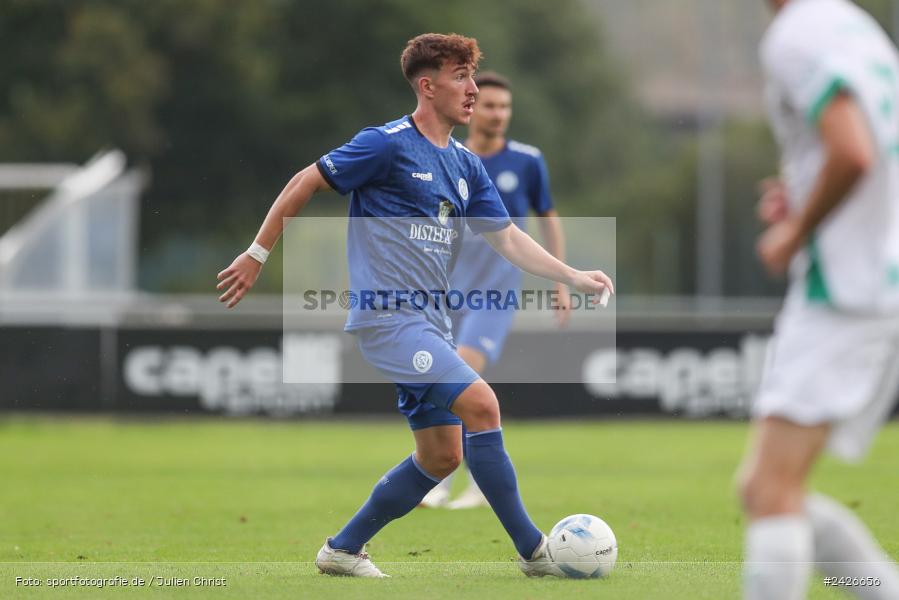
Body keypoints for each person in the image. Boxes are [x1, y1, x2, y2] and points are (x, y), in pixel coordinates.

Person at [216, 33, 613, 578]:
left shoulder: (467, 165)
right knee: (483, 405)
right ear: (427, 86)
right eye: (460, 78)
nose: (472, 90)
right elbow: (304, 181)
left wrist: (571, 275)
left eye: (472, 77)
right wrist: (257, 253)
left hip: (432, 323)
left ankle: (341, 550)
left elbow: (507, 238)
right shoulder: (385, 144)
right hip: (388, 320)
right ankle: (535, 552)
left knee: (442, 456)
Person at [741, 1, 899, 598]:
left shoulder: (796, 33)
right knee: (770, 490)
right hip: (878, 274)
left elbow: (854, 152)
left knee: (770, 491)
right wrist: (804, 192)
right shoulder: (852, 24)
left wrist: (796, 230)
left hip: (845, 287)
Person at [418, 71, 570, 510]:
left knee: (460, 372)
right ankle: (446, 473)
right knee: (442, 380)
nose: (498, 114)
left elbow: (548, 220)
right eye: (489, 105)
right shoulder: (447, 156)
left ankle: (466, 481)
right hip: (446, 293)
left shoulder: (527, 161)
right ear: (471, 106)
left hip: (495, 294)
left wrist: (560, 281)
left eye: (505, 107)